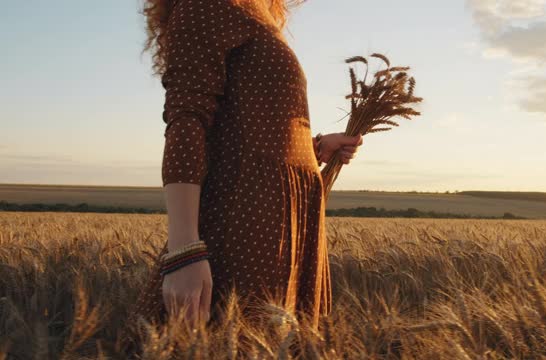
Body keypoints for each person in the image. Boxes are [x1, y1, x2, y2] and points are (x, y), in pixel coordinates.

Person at [121, 0, 364, 347]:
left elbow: (246, 132)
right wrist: (184, 252)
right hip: (249, 228)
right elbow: (186, 120)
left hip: (289, 228)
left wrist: (315, 147)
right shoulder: (204, 5)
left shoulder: (257, 10)